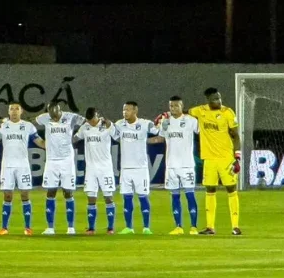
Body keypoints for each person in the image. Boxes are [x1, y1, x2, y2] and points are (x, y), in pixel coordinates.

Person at [187, 88, 241, 235]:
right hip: (209, 159)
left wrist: (237, 158)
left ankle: (235, 227)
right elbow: (184, 113)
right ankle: (210, 227)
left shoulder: (228, 113)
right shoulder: (200, 111)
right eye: (215, 99)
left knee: (231, 189)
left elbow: (236, 135)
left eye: (219, 98)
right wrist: (167, 115)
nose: (219, 101)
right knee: (210, 190)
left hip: (226, 159)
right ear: (208, 100)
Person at [34, 100, 86, 235]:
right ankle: (50, 228)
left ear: (59, 109)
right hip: (51, 161)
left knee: (67, 192)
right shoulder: (43, 118)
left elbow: (86, 123)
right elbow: (33, 122)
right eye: (50, 112)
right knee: (50, 192)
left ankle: (70, 227)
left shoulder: (71, 117)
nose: (53, 115)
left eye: (55, 112)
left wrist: (76, 137)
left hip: (67, 160)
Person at [152, 96, 200, 235]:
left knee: (190, 195)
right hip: (171, 165)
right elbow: (161, 137)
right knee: (175, 196)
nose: (173, 108)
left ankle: (193, 227)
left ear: (182, 106)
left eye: (176, 106)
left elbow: (202, 132)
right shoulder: (165, 122)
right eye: (171, 106)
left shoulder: (191, 121)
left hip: (187, 165)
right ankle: (178, 226)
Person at [0, 102, 45, 236]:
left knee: (25, 195)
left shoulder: (28, 126)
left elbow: (39, 142)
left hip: (23, 166)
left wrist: (53, 146)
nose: (14, 111)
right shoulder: (2, 126)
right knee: (7, 195)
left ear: (21, 111)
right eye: (12, 109)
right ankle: (4, 227)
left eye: (17, 109)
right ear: (8, 111)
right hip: (7, 166)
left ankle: (28, 227)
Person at [113, 101, 158, 234]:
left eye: (127, 110)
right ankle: (129, 227)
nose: (124, 112)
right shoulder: (119, 124)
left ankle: (146, 227)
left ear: (135, 111)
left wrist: (163, 124)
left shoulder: (144, 124)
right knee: (127, 197)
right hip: (126, 169)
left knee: (143, 197)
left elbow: (158, 131)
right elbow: (114, 136)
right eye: (123, 110)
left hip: (140, 169)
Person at [74, 108, 118, 235]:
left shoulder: (106, 125)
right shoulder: (85, 127)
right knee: (91, 198)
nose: (91, 123)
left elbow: (117, 136)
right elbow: (76, 138)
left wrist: (110, 125)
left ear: (97, 115)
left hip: (105, 168)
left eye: (92, 120)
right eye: (89, 120)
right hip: (91, 169)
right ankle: (91, 228)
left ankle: (110, 228)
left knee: (108, 197)